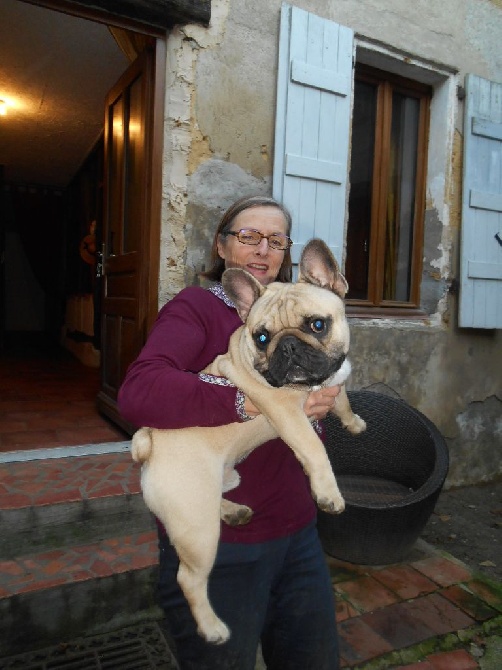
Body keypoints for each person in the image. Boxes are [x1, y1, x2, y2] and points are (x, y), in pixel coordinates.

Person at [118, 194, 341, 670]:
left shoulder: (301, 308)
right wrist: (242, 401)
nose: (263, 250)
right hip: (226, 547)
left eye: (276, 240)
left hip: (298, 528)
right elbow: (139, 390)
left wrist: (317, 408)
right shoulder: (198, 307)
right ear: (221, 247)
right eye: (249, 236)